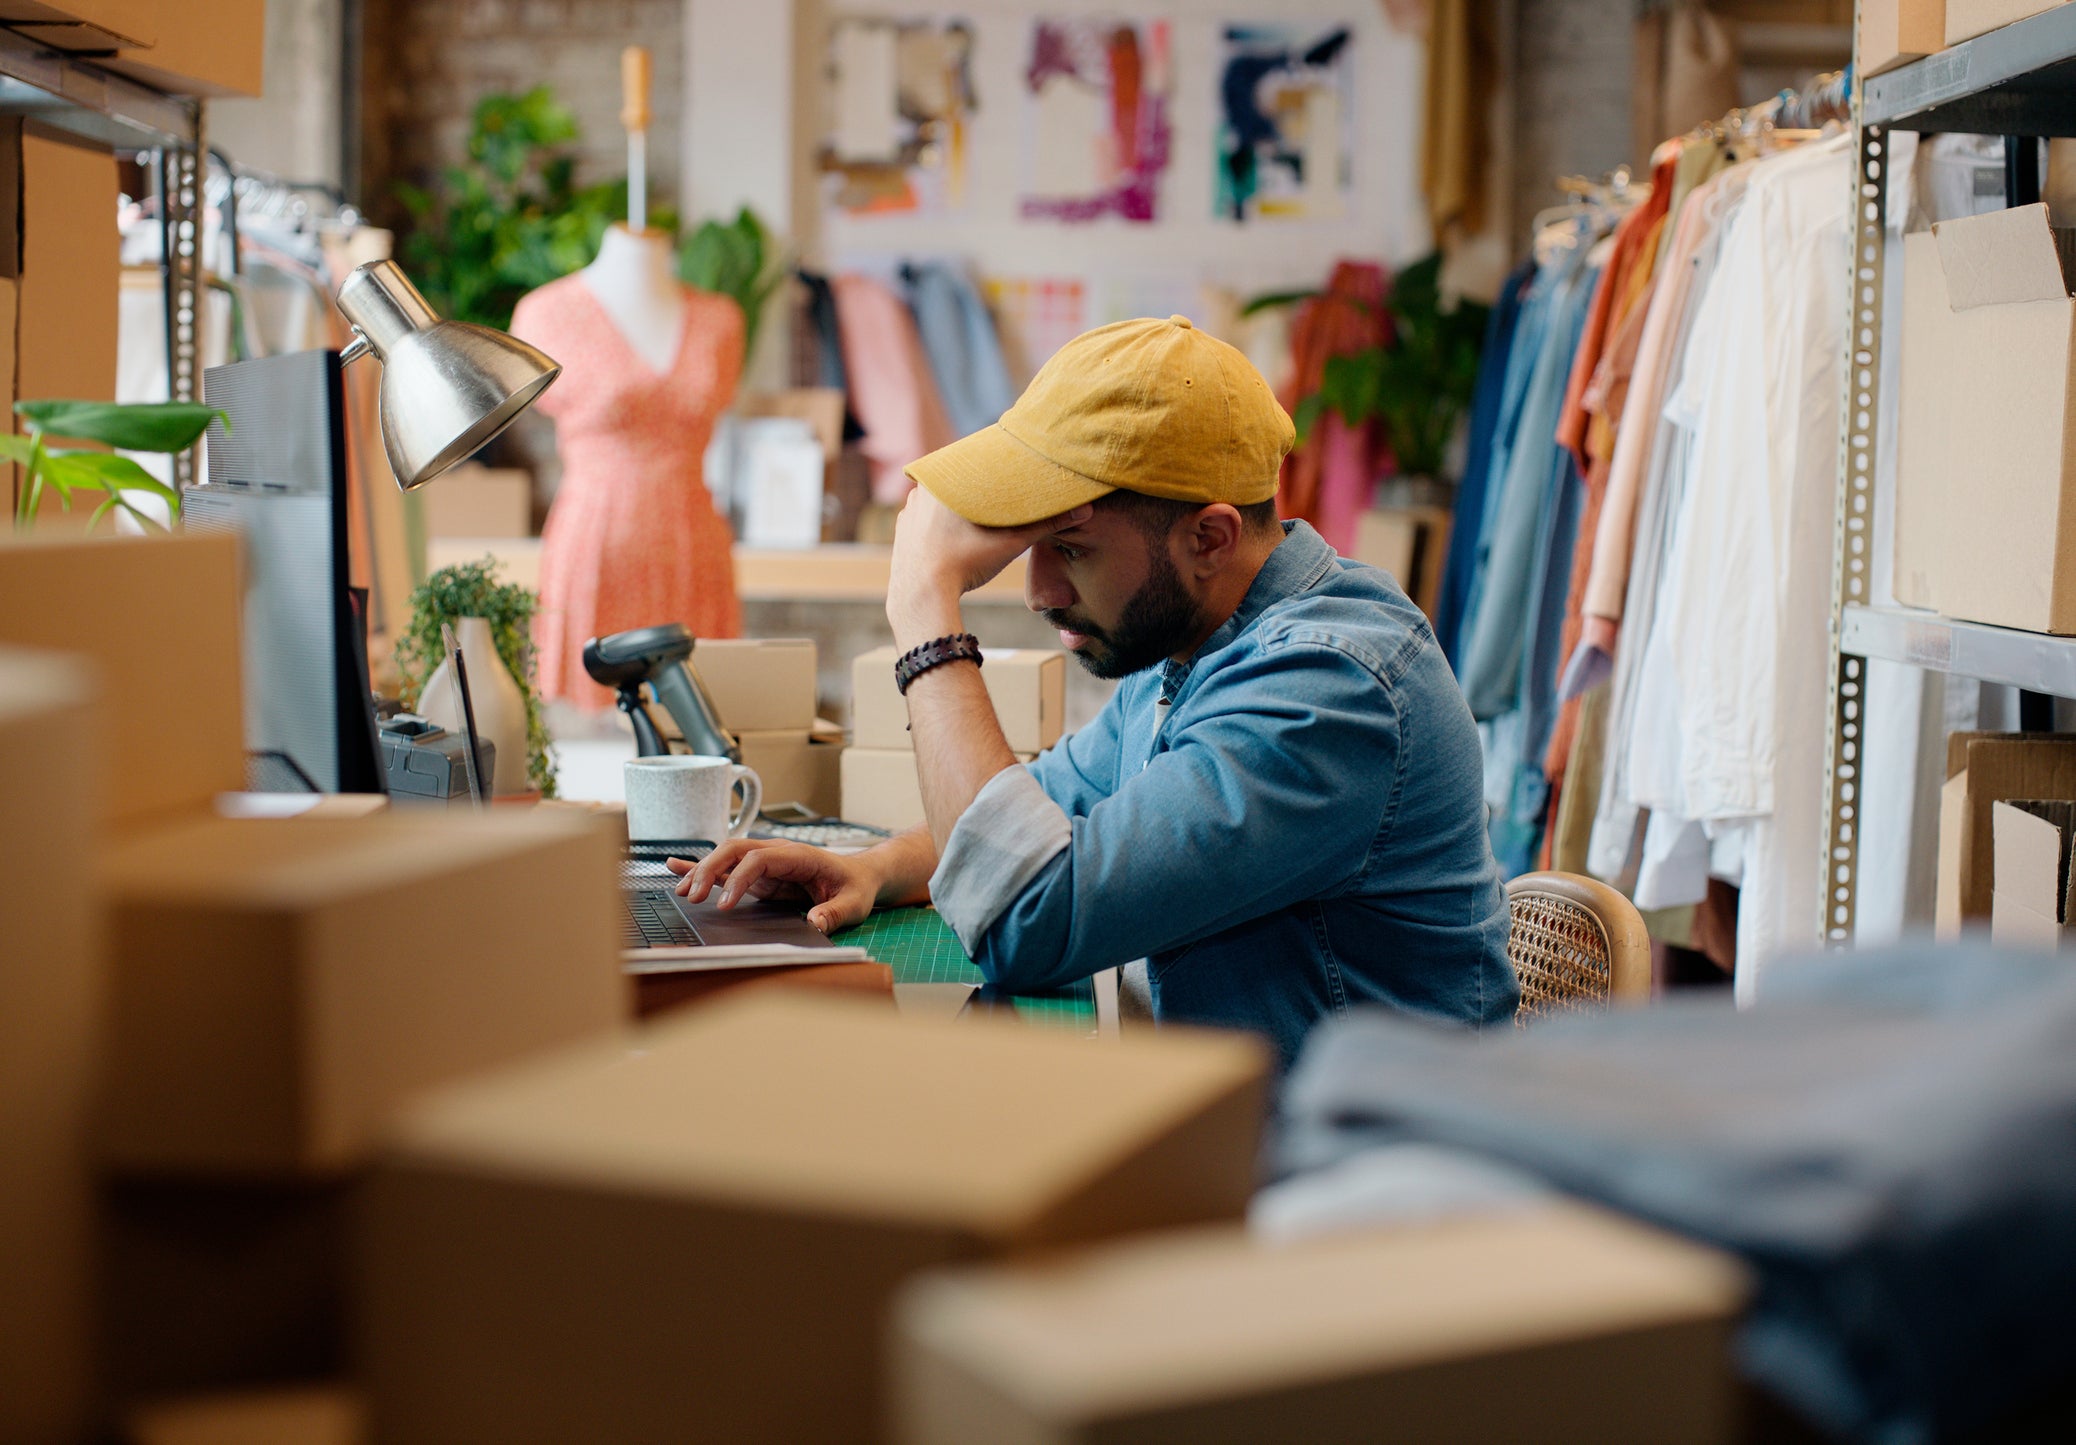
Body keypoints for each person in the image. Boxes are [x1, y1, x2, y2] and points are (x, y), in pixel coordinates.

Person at [673, 315, 1516, 1065]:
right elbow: (1051, 802)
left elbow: (1025, 917)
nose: (1038, 591)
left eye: (1069, 548)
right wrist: (873, 867)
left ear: (1210, 537)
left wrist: (924, 611)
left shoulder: (1327, 690)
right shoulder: (1199, 635)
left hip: (1356, 1193)